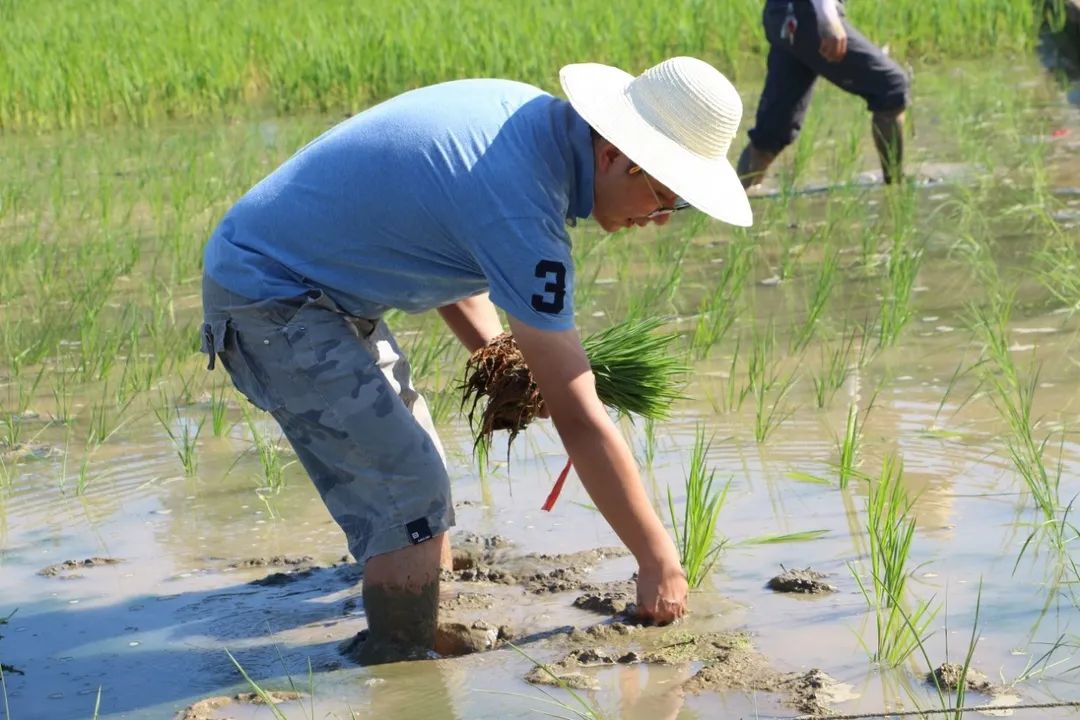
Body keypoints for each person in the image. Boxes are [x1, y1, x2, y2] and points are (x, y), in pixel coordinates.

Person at [200, 56, 752, 664]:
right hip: (272, 297)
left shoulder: (524, 123)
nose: (658, 219)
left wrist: (498, 358)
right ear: (617, 156)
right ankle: (397, 669)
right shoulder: (521, 204)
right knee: (409, 495)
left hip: (309, 289)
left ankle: (413, 618)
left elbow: (452, 248)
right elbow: (579, 413)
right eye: (664, 196)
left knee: (421, 482)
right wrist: (657, 561)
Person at [737, 0, 910, 188]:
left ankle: (723, 205)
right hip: (806, 14)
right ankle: (895, 191)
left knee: (771, 135)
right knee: (891, 87)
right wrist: (828, 18)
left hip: (783, 14)